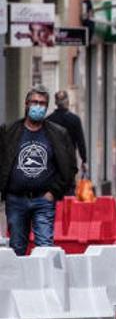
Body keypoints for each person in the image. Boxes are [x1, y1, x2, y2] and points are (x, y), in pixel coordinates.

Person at [0, 87, 77, 256]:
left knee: (44, 248)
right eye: (34, 102)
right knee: (17, 248)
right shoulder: (9, 131)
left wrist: (54, 192)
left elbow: (70, 166)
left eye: (42, 104)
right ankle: (20, 282)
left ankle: (45, 282)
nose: (38, 107)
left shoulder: (58, 133)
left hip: (43, 200)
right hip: (16, 200)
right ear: (26, 104)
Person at [46, 89, 87, 193]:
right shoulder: (75, 119)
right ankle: (68, 207)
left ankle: (56, 207)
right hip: (70, 160)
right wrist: (84, 160)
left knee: (54, 186)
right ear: (68, 101)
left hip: (53, 160)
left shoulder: (49, 120)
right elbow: (80, 142)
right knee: (69, 187)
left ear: (55, 103)